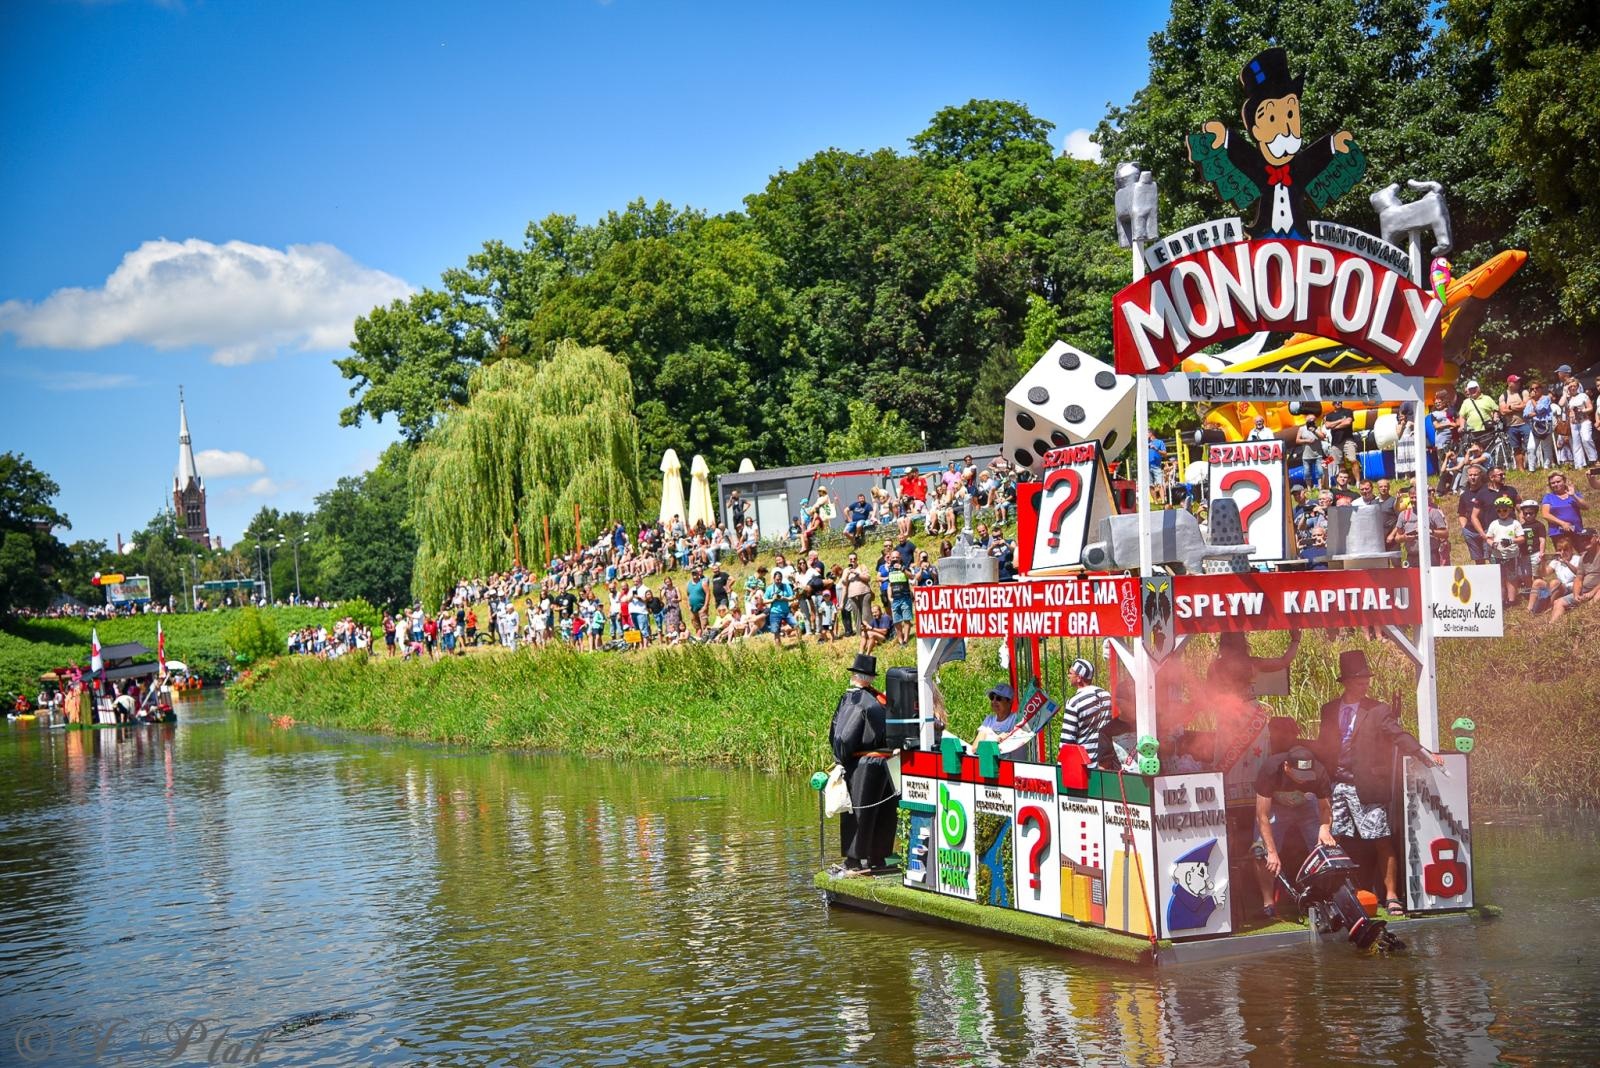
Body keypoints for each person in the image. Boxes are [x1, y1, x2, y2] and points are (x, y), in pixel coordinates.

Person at [1314, 650, 1444, 915]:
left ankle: (1392, 895)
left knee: (1381, 838)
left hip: (1367, 784)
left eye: (1366, 680)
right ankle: (1338, 894)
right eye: (1360, 681)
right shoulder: (1329, 709)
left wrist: (1422, 752)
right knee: (1334, 839)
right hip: (1336, 784)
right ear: (1347, 681)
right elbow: (1324, 746)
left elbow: (1397, 734)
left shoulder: (1378, 710)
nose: (1365, 685)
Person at [828, 654, 898, 876]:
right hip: (884, 762)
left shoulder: (854, 700)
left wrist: (840, 759)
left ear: (855, 676)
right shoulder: (880, 700)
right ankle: (878, 857)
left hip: (863, 763)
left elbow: (843, 736)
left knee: (857, 812)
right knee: (884, 811)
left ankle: (854, 860)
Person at [1253, 737, 1335, 918]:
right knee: (1261, 850)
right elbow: (1262, 816)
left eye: (1306, 776)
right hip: (1275, 808)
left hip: (1307, 805)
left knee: (1327, 848)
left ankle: (1323, 898)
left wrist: (1325, 828)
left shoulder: (1319, 771)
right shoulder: (1270, 769)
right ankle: (1269, 904)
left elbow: (1324, 808)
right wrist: (1272, 852)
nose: (1303, 780)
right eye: (1299, 775)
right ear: (1286, 767)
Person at [1060, 659, 1113, 766]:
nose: (1068, 676)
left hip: (1085, 763)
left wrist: (1062, 765)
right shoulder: (1106, 695)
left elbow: (1067, 738)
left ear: (1079, 678)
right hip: (1106, 761)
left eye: (1071, 673)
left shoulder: (1074, 702)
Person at [1549, 534, 1600, 624]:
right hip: (1584, 591)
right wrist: (1576, 594)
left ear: (1597, 538)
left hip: (1596, 590)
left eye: (1588, 538)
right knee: (1558, 602)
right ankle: (1551, 628)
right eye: (1583, 540)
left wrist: (1592, 592)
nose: (1585, 542)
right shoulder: (1584, 557)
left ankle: (1586, 614)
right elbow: (1578, 578)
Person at [1484, 497, 1525, 605]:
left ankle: (1512, 600)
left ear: (1510, 510)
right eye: (1499, 510)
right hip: (1497, 555)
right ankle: (1501, 600)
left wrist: (1511, 541)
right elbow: (1488, 538)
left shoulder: (1515, 523)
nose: (1502, 512)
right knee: (1500, 578)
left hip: (1511, 555)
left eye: (1505, 510)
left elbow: (1522, 538)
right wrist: (1492, 543)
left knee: (1511, 578)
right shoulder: (1494, 523)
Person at [1456, 464, 1499, 564]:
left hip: (1487, 529)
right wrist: (1464, 528)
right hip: (1471, 531)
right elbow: (1461, 513)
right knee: (1478, 560)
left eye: (1475, 475)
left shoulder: (1488, 490)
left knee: (1491, 558)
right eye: (1470, 475)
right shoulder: (1464, 495)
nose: (1473, 477)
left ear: (1481, 475)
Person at [1500, 374, 1530, 470]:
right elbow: (1502, 411)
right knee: (1516, 448)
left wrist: (1510, 407)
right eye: (1515, 382)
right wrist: (1517, 407)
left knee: (1528, 446)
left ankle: (1527, 465)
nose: (1518, 383)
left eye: (1518, 381)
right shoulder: (1503, 396)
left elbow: (1525, 405)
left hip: (1525, 423)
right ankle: (1520, 469)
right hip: (1511, 426)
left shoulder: (1523, 392)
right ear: (1509, 383)